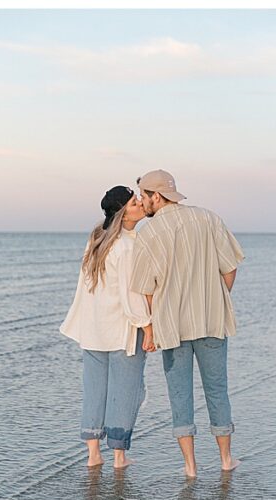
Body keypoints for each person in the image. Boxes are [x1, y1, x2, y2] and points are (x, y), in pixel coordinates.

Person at [129, 169, 244, 477]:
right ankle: (225, 460)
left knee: (179, 395)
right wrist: (216, 299)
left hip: (171, 327)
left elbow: (146, 289)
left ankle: (190, 467)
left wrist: (152, 322)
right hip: (211, 320)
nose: (141, 202)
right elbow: (230, 268)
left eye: (143, 196)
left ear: (156, 196)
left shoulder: (148, 234)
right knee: (217, 390)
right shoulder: (208, 218)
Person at [60, 186, 153, 470]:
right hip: (122, 330)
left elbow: (86, 290)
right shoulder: (127, 247)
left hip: (94, 330)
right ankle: (118, 457)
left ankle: (93, 455)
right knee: (125, 393)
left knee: (94, 392)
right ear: (124, 213)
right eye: (135, 202)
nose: (141, 204)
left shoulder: (96, 240)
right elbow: (132, 294)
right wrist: (147, 327)